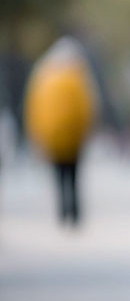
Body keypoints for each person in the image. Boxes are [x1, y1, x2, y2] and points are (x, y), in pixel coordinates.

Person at [24, 37, 97, 225]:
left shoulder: (43, 77)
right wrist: (88, 132)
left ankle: (62, 213)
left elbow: (34, 109)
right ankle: (74, 213)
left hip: (52, 137)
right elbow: (87, 108)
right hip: (74, 138)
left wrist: (36, 135)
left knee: (58, 176)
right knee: (73, 175)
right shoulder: (78, 77)